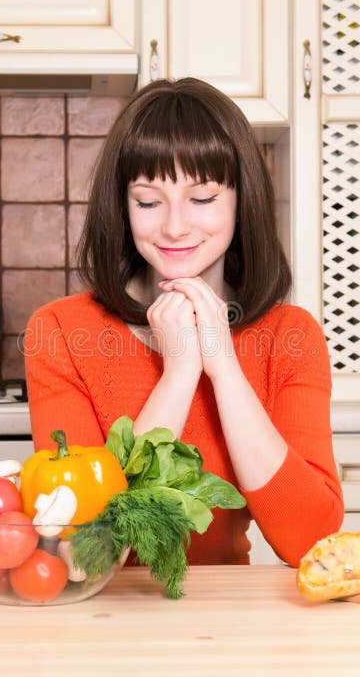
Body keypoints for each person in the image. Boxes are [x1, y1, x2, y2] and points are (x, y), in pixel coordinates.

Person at [23, 77, 343, 567]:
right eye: (148, 202)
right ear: (122, 207)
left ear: (241, 200)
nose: (174, 226)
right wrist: (178, 375)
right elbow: (89, 544)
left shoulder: (290, 336)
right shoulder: (60, 332)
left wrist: (225, 369)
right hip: (103, 613)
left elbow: (309, 542)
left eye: (203, 198)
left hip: (234, 616)